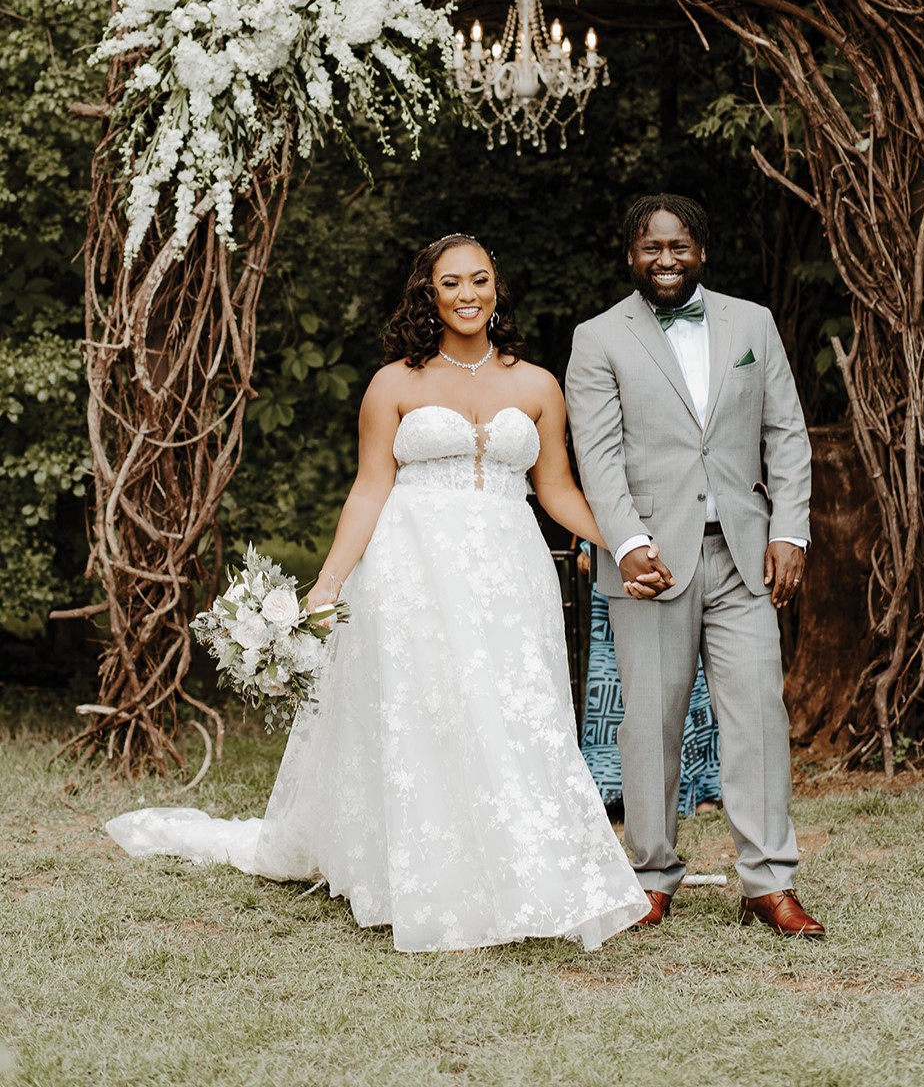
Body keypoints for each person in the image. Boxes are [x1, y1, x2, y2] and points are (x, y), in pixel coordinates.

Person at [108, 233, 655, 951]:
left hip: (508, 571)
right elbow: (370, 490)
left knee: (515, 710)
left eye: (480, 280)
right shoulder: (394, 383)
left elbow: (554, 488)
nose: (467, 294)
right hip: (411, 566)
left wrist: (627, 540)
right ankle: (426, 875)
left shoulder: (537, 384)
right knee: (426, 712)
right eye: (451, 282)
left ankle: (525, 870)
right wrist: (327, 586)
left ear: (497, 290)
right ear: (429, 294)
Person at [564, 193, 825, 937]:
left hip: (744, 555)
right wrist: (629, 541)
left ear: (700, 252)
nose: (666, 259)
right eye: (652, 248)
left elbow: (788, 434)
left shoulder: (751, 323)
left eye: (679, 247)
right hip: (650, 564)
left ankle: (768, 883)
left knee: (758, 716)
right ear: (630, 257)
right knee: (649, 723)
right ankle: (650, 876)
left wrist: (791, 532)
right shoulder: (597, 338)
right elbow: (599, 455)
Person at [576, 542, 722, 817]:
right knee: (615, 674)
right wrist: (590, 546)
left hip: (675, 548)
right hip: (616, 553)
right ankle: (612, 787)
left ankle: (701, 785)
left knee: (685, 669)